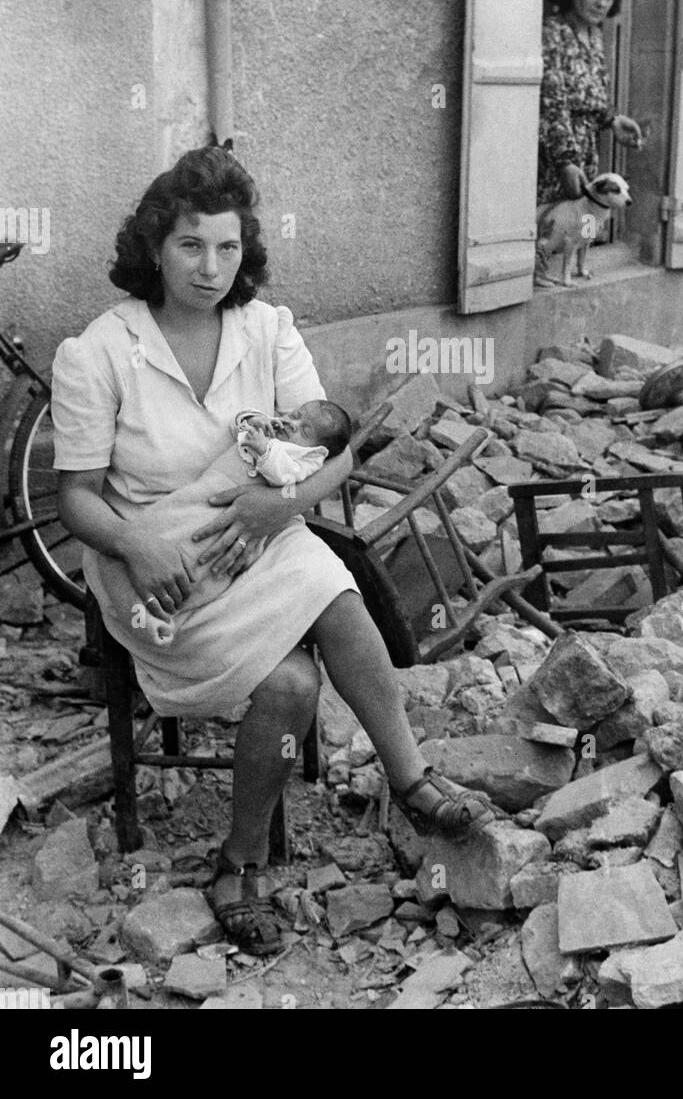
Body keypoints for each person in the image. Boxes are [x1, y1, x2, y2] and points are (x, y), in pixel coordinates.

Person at [52, 145, 501, 957]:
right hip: (158, 563)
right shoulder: (100, 351)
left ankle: (400, 785)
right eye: (191, 245)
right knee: (292, 682)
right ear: (154, 246)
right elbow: (77, 496)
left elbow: (338, 449)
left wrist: (279, 505)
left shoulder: (266, 329)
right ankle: (246, 863)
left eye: (228, 247)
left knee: (334, 593)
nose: (210, 266)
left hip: (259, 528)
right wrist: (136, 545)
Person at [88, 400, 352, 646]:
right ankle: (121, 564)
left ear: (319, 449)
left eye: (304, 430)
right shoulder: (270, 429)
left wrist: (265, 449)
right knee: (164, 527)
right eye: (295, 415)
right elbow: (238, 425)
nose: (292, 424)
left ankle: (156, 615)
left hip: (240, 512)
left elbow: (284, 477)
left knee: (203, 563)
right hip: (204, 494)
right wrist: (256, 421)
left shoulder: (304, 458)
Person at [535, 0, 643, 286]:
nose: (601, 3)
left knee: (576, 221)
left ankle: (570, 272)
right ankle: (533, 275)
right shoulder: (553, 33)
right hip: (554, 149)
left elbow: (588, 95)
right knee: (547, 219)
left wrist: (612, 120)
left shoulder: (594, 36)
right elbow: (553, 102)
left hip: (584, 148)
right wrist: (565, 160)